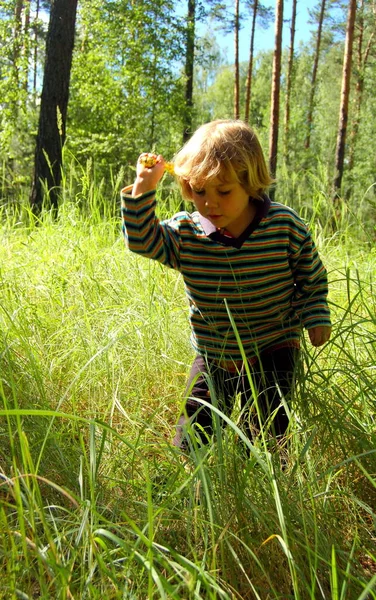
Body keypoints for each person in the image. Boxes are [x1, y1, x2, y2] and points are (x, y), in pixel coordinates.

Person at [121, 119, 331, 451]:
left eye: (224, 190)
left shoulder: (284, 226)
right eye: (199, 190)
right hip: (215, 351)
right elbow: (142, 240)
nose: (210, 203)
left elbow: (311, 278)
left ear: (250, 183)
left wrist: (316, 314)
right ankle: (192, 490)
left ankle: (266, 485)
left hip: (274, 346)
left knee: (265, 434)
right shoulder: (186, 234)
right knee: (194, 436)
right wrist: (143, 189)